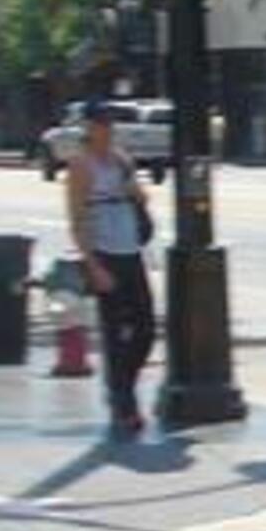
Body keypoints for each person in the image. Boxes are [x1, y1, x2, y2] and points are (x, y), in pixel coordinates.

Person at [64, 103, 157, 435]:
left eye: (110, 123)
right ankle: (124, 404)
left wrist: (137, 194)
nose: (107, 129)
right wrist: (93, 265)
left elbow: (142, 200)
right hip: (104, 252)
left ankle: (121, 385)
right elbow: (76, 221)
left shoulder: (121, 159)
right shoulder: (80, 166)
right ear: (88, 127)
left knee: (145, 327)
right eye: (101, 123)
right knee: (115, 333)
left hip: (130, 248)